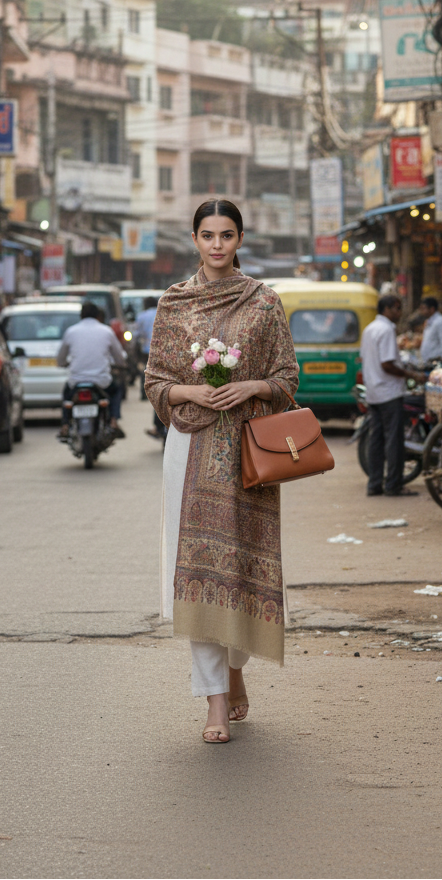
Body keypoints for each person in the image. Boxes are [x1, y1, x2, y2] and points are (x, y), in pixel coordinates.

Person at [145, 199, 299, 744]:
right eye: (207, 235)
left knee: (241, 571)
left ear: (240, 238)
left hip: (248, 455)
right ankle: (213, 701)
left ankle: (236, 670)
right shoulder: (174, 303)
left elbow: (287, 377)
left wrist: (251, 386)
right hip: (188, 451)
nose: (216, 244)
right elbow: (155, 384)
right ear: (193, 239)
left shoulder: (264, 303)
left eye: (226, 234)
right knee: (200, 573)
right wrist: (197, 391)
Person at [361, 294, 426, 497]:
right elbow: (387, 364)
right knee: (394, 441)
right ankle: (393, 485)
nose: (399, 313)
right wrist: (411, 374)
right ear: (387, 309)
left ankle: (374, 484)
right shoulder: (387, 329)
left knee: (377, 440)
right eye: (397, 309)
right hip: (389, 392)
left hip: (373, 391)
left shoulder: (370, 329)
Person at [57, 300, 127, 439]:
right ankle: (113, 420)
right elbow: (119, 356)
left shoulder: (71, 331)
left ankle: (65, 425)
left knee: (66, 395)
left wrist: (64, 363)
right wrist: (122, 364)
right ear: (98, 316)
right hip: (101, 382)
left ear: (81, 316)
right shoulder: (106, 331)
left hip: (76, 381)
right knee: (116, 390)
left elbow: (61, 358)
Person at [135, 296, 166, 439]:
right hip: (164, 353)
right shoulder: (165, 311)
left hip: (147, 351)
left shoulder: (142, 316)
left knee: (146, 373)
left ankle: (144, 391)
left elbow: (137, 334)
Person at [419, 296, 442, 363]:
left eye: (424, 308)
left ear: (432, 309)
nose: (422, 311)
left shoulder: (441, 322)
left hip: (438, 362)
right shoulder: (430, 322)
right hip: (429, 362)